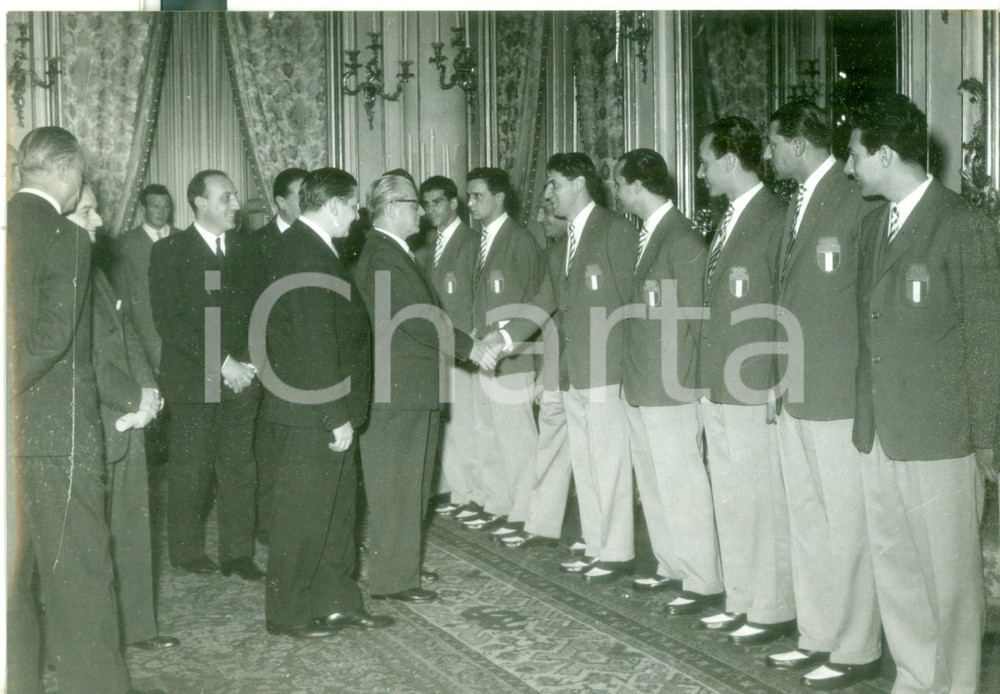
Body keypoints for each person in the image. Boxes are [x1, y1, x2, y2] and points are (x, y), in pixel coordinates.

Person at [846, 93, 1000, 693]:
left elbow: (988, 341)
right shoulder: (869, 225)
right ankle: (914, 679)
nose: (851, 167)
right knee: (897, 567)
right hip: (882, 429)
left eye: (856, 154)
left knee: (951, 581)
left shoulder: (963, 225)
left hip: (943, 435)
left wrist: (986, 439)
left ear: (885, 154)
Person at [6, 126, 133, 694]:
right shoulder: (68, 237)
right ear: (64, 172)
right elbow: (51, 338)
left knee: (12, 578)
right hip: (61, 433)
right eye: (80, 174)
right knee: (81, 576)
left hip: (13, 435)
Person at [762, 99, 883, 682]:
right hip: (794, 388)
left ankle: (856, 648)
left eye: (772, 143)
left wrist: (866, 392)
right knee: (806, 519)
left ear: (800, 144)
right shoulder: (797, 203)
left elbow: (867, 307)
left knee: (847, 526)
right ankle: (817, 634)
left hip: (837, 391)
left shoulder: (858, 197)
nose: (767, 154)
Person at [259, 167, 394, 638]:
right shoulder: (305, 253)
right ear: (335, 205)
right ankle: (288, 613)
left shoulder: (311, 247)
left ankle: (335, 600)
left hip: (321, 407)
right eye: (354, 206)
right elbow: (314, 345)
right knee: (302, 514)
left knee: (336, 512)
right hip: (313, 411)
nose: (357, 217)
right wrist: (334, 415)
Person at [354, 174, 497, 602]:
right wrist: (470, 347)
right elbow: (416, 318)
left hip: (410, 388)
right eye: (414, 203)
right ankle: (393, 579)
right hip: (398, 392)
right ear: (393, 206)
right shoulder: (383, 255)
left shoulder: (395, 253)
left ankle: (398, 568)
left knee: (409, 486)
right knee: (397, 487)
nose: (420, 211)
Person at [686, 117, 795, 642]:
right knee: (729, 495)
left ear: (731, 160)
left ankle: (771, 607)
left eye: (706, 160)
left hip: (754, 382)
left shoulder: (776, 218)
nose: (701, 170)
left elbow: (783, 306)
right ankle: (742, 597)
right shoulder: (727, 218)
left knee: (761, 500)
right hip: (718, 379)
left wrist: (777, 378)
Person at [69, 184, 180, 652]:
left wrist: (149, 391)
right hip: (96, 418)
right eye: (89, 211)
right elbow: (84, 357)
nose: (98, 221)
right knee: (87, 544)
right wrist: (134, 396)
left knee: (133, 529)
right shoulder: (59, 272)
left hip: (128, 416)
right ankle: (91, 640)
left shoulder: (93, 264)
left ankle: (139, 629)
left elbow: (125, 330)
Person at [613, 148, 724, 596]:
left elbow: (700, 320)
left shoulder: (680, 240)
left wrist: (695, 387)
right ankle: (671, 565)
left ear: (638, 186)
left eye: (619, 184)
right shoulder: (646, 236)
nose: (617, 193)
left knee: (682, 484)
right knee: (656, 483)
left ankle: (702, 579)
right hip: (641, 381)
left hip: (672, 385)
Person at [149, 169, 263, 580]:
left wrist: (248, 363)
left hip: (241, 377)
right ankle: (187, 551)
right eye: (226, 198)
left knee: (239, 467)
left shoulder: (246, 251)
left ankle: (237, 553)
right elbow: (172, 323)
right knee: (191, 468)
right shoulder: (170, 252)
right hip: (195, 377)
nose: (236, 205)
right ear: (199, 203)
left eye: (234, 197)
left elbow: (258, 312)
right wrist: (222, 363)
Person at [543, 153, 638, 583]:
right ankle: (597, 544)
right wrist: (503, 338)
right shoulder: (562, 244)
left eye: (555, 184)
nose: (549, 194)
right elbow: (548, 303)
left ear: (578, 183)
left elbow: (629, 305)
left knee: (609, 464)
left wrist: (623, 371)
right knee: (585, 464)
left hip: (606, 370)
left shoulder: (616, 231)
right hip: (573, 369)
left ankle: (617, 551)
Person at [463, 167, 550, 539]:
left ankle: (526, 512)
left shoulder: (520, 240)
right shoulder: (481, 240)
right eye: (469, 196)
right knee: (489, 435)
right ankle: (500, 503)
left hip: (514, 357)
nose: (470, 203)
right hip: (485, 355)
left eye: (477, 196)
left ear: (499, 198)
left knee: (518, 441)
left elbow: (535, 302)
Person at [501, 185, 579, 554]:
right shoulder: (554, 253)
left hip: (584, 368)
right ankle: (541, 524)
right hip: (555, 368)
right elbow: (540, 311)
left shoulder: (579, 248)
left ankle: (591, 538)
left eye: (549, 212)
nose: (541, 219)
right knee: (549, 447)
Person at [417, 175, 489, 520]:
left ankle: (477, 494)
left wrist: (475, 334)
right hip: (439, 345)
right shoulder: (429, 245)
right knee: (449, 423)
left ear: (453, 203)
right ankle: (460, 492)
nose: (431, 209)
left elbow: (480, 291)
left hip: (463, 344)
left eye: (437, 202)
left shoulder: (473, 241)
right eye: (426, 204)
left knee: (468, 424)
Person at [247, 167, 308, 543]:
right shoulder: (256, 245)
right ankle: (270, 524)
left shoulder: (325, 238)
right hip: (272, 358)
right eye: (302, 195)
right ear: (282, 202)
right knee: (271, 445)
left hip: (312, 358)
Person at [112, 183, 181, 373]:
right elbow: (121, 294)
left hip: (180, 329)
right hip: (145, 329)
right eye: (155, 206)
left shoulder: (183, 239)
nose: (161, 211)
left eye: (166, 206)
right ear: (143, 209)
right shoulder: (126, 244)